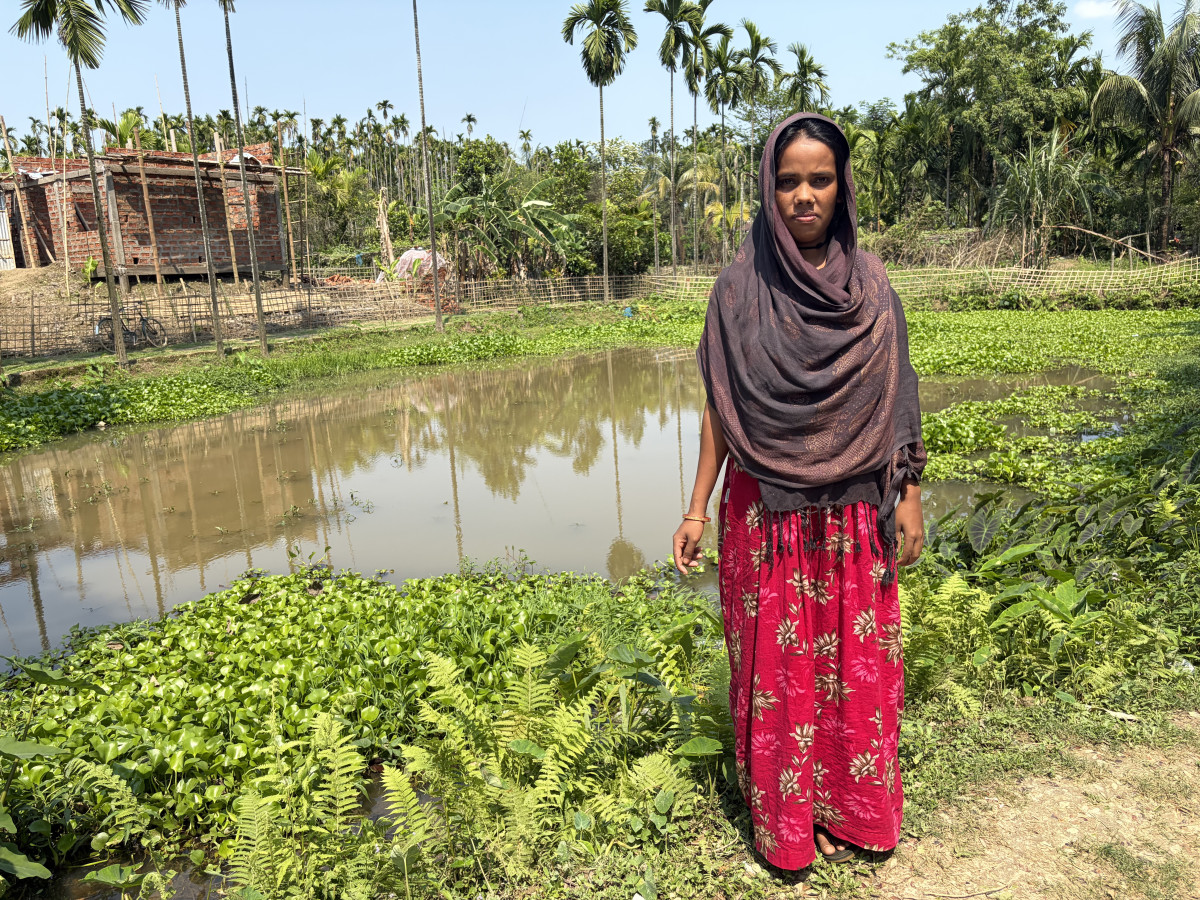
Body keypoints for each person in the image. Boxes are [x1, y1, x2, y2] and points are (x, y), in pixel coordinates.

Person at [672, 112, 926, 870]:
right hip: (767, 515)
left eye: (819, 179)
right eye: (788, 181)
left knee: (854, 667)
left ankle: (853, 815)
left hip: (854, 510)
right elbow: (724, 407)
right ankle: (788, 825)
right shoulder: (738, 289)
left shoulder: (872, 282)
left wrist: (907, 492)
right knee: (779, 674)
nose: (804, 195)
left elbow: (897, 392)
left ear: (840, 185)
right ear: (768, 188)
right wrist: (697, 508)